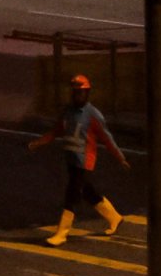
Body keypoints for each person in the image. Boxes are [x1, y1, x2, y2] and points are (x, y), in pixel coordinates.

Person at [35, 74, 123, 245]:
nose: (78, 96)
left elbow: (107, 138)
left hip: (85, 160)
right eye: (75, 92)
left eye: (81, 93)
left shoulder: (93, 114)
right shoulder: (68, 111)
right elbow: (57, 130)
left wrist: (119, 157)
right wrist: (39, 142)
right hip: (71, 158)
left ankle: (62, 233)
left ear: (87, 93)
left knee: (72, 193)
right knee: (87, 191)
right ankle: (114, 217)